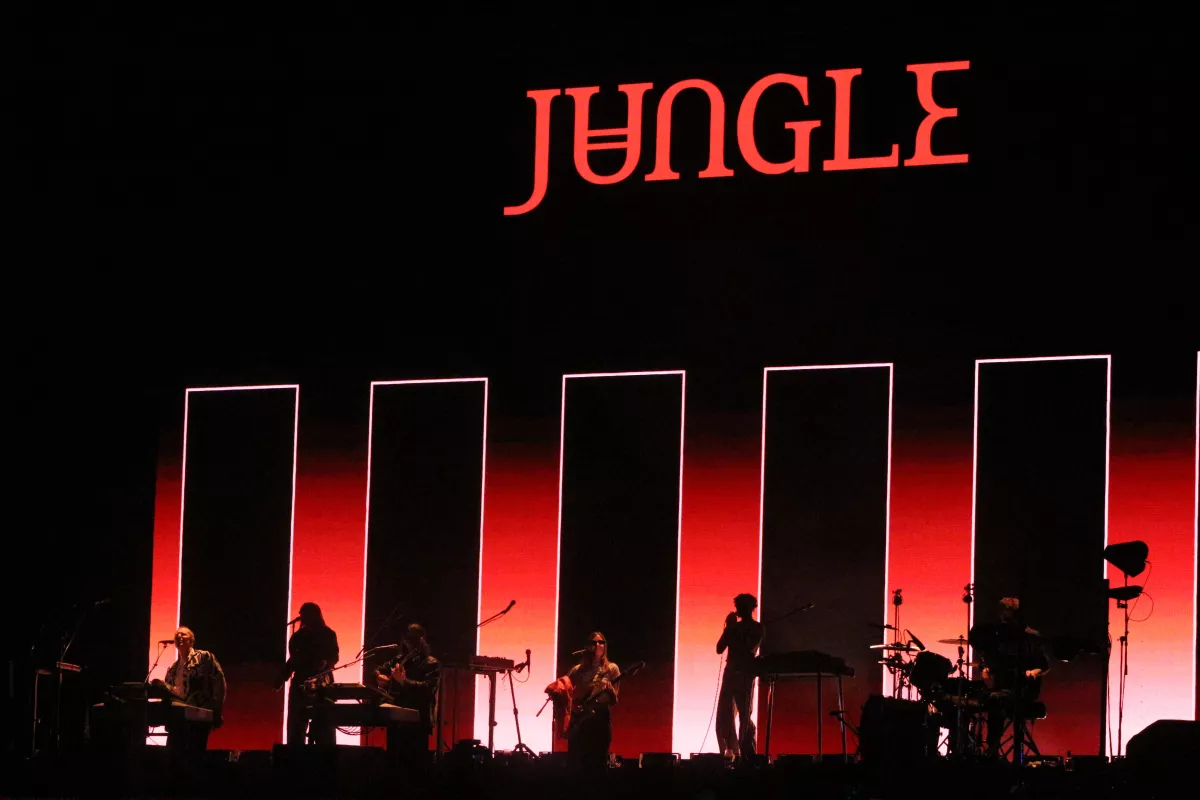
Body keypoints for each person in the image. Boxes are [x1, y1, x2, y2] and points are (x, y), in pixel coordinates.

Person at [969, 597, 1049, 758]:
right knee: (972, 697)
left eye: (1008, 616)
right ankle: (970, 748)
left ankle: (992, 748)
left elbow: (1045, 665)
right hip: (1002, 687)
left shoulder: (1030, 638)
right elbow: (994, 664)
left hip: (1023, 690)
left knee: (995, 699)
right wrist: (987, 669)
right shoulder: (998, 638)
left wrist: (1034, 672)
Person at [546, 631, 620, 771]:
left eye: (601, 642)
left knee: (597, 763)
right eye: (593, 642)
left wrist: (610, 692)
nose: (597, 645)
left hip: (600, 719)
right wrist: (569, 705)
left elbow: (614, 701)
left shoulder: (612, 669)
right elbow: (565, 691)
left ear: (605, 647)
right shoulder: (577, 670)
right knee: (577, 763)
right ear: (587, 646)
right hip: (580, 720)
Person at [275, 602, 339, 746]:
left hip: (322, 684)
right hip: (301, 684)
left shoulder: (328, 634)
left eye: (305, 614)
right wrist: (282, 677)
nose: (303, 617)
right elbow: (293, 660)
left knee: (324, 724)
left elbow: (334, 657)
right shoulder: (298, 636)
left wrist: (325, 664)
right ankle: (295, 754)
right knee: (296, 724)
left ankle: (326, 755)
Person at [375, 623, 441, 756]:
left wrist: (404, 681)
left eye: (412, 641)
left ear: (420, 640)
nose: (408, 644)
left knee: (415, 762)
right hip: (396, 718)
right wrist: (379, 676)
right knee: (393, 759)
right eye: (406, 641)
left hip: (418, 720)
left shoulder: (432, 663)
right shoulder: (399, 659)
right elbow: (379, 669)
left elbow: (428, 690)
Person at [160, 626, 226, 756]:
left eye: (183, 635)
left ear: (192, 641)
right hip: (178, 718)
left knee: (195, 754)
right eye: (177, 636)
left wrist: (216, 710)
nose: (179, 637)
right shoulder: (173, 668)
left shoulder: (204, 657)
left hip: (199, 715)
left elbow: (219, 683)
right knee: (175, 755)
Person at [715, 593, 763, 761]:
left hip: (744, 674)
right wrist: (728, 629)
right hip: (731, 673)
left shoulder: (757, 628)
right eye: (738, 607)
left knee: (744, 715)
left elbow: (748, 648)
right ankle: (730, 752)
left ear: (750, 608)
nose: (738, 610)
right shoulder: (733, 628)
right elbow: (719, 649)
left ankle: (748, 755)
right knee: (724, 715)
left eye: (741, 607)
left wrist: (732, 631)